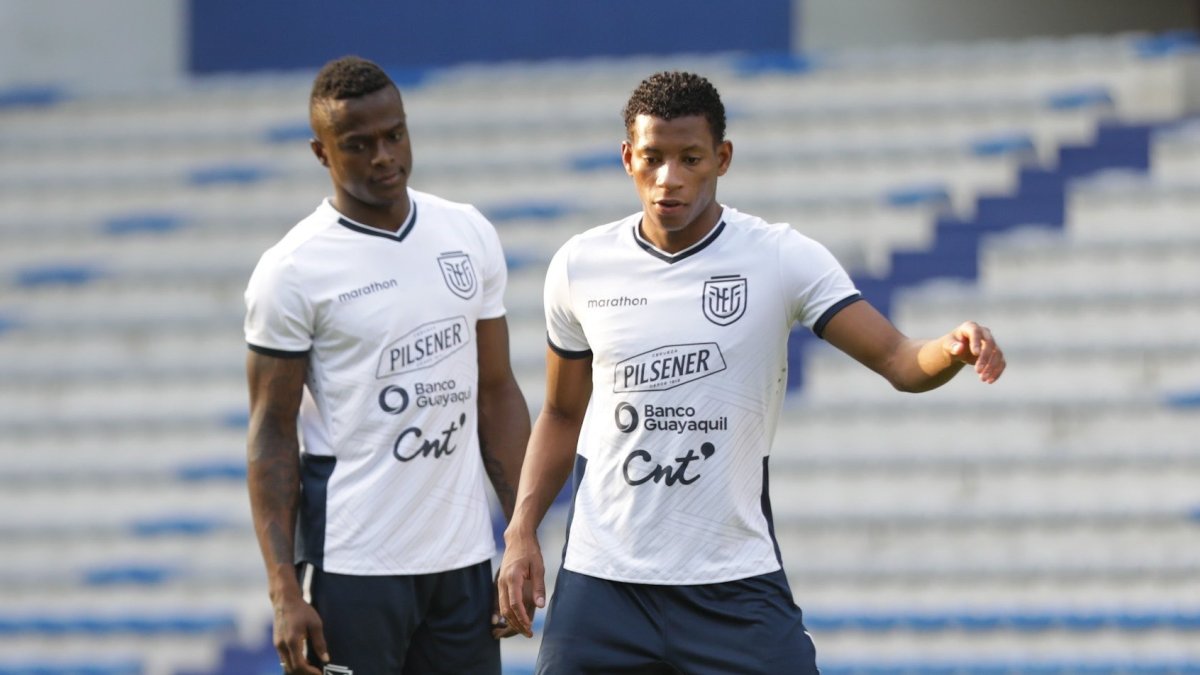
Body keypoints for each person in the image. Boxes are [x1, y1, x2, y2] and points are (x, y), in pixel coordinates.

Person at [497, 71, 1006, 674]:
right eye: (653, 158)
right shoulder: (581, 266)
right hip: (602, 585)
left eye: (690, 158)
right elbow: (561, 412)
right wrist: (521, 530)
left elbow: (898, 360)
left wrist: (948, 349)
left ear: (722, 158)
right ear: (628, 157)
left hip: (732, 584)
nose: (670, 179)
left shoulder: (780, 258)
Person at [244, 55, 533, 675]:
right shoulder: (292, 270)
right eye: (358, 144)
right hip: (355, 564)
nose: (383, 156)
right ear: (322, 152)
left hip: (461, 562)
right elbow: (271, 433)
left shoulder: (467, 232)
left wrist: (520, 533)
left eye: (394, 134)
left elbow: (496, 392)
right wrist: (283, 589)